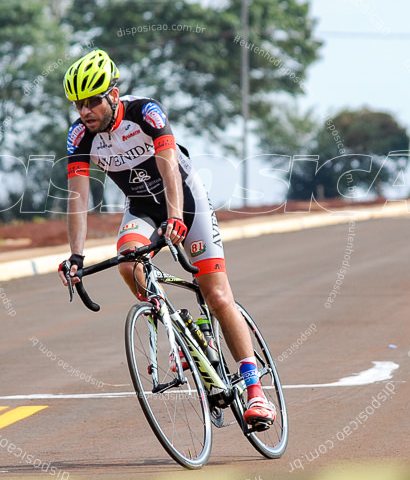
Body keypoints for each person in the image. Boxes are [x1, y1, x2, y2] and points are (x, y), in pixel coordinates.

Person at [57, 49, 275, 429]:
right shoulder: (80, 136)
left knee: (217, 295)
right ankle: (174, 325)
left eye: (92, 101)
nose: (85, 111)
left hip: (186, 202)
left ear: (113, 94)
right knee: (127, 261)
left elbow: (169, 165)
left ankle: (256, 392)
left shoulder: (146, 113)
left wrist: (175, 217)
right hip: (141, 208)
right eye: (78, 104)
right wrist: (75, 256)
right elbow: (77, 197)